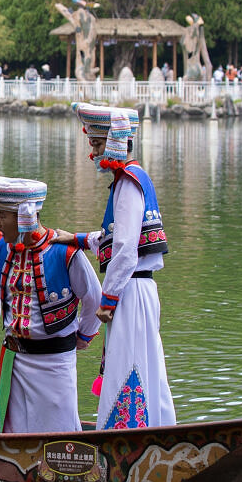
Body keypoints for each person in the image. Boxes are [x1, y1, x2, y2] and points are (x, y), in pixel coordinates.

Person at [67, 103, 176, 430]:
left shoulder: (127, 183)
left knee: (126, 367)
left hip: (129, 290)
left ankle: (125, 436)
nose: (94, 154)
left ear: (115, 142)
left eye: (98, 145)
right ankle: (158, 428)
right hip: (140, 288)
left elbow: (126, 249)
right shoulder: (134, 179)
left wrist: (108, 298)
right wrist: (77, 239)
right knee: (148, 366)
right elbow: (116, 237)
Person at [0, 173, 102, 433]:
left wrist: (85, 334)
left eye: (3, 215)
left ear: (24, 216)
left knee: (60, 428)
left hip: (55, 362)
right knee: (13, 429)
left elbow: (93, 298)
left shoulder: (64, 253)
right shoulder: (0, 248)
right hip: (15, 359)